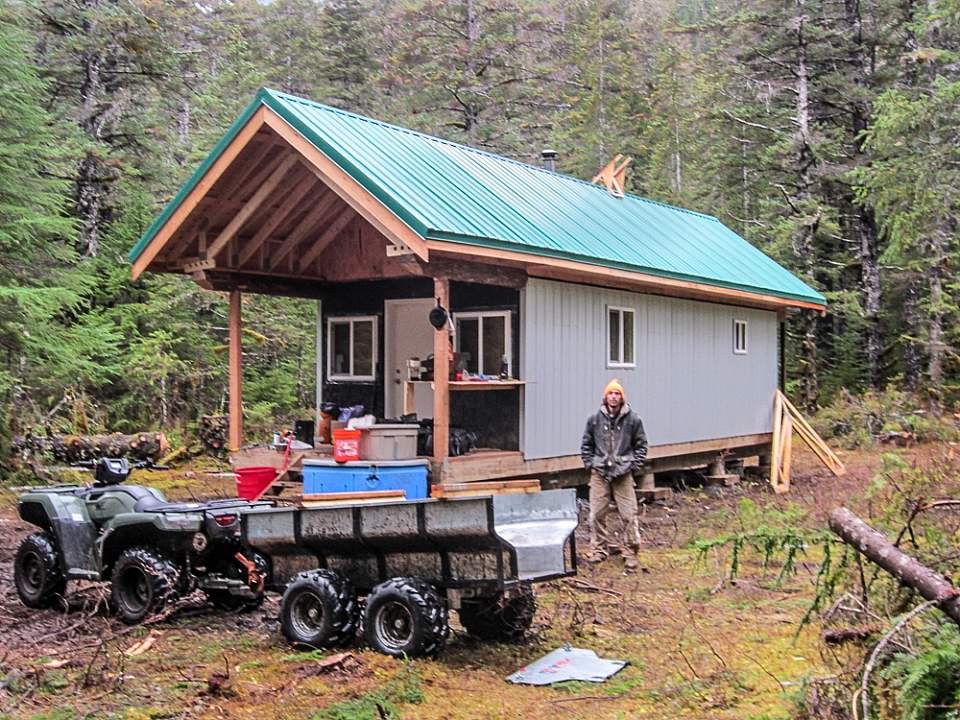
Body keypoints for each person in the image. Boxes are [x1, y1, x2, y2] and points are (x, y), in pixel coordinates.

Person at [580, 379, 648, 572]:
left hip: (623, 473)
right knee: (596, 514)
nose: (614, 397)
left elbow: (641, 446)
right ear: (605, 396)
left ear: (622, 397)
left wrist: (633, 465)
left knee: (628, 514)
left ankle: (630, 553)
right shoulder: (594, 419)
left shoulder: (633, 420)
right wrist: (590, 464)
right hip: (599, 472)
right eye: (611, 393)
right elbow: (586, 444)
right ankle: (599, 550)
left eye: (617, 394)